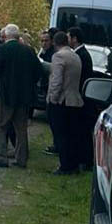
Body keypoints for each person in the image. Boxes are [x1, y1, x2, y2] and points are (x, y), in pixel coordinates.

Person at [0, 24, 40, 169]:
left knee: (0, 125)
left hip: (6, 95)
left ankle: (2, 156)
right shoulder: (28, 50)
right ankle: (21, 158)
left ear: (5, 36)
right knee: (21, 128)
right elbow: (38, 70)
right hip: (23, 95)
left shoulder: (2, 50)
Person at [47, 30, 84, 175]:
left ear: (54, 42)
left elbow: (56, 80)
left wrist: (52, 98)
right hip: (74, 99)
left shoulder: (59, 56)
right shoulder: (75, 56)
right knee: (71, 135)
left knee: (61, 135)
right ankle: (73, 164)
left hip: (62, 101)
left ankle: (65, 166)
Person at [67, 27, 95, 170]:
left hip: (81, 98)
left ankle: (84, 160)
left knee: (81, 131)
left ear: (74, 38)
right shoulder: (82, 54)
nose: (67, 40)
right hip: (83, 97)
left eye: (69, 37)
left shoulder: (81, 55)